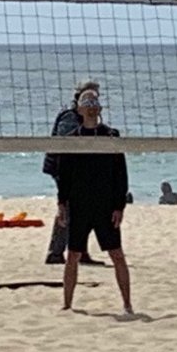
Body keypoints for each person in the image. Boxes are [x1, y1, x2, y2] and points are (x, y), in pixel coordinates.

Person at [57, 85, 135, 316]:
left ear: (99, 108)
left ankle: (128, 305)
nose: (91, 107)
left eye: (94, 103)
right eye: (86, 103)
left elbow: (121, 174)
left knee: (117, 254)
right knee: (73, 255)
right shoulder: (71, 140)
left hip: (105, 206)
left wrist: (119, 206)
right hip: (79, 205)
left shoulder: (111, 136)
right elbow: (64, 175)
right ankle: (67, 305)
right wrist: (62, 204)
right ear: (79, 109)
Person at [42, 81, 101, 268]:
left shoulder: (88, 117)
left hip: (79, 169)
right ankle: (56, 252)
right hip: (63, 167)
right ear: (79, 98)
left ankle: (80, 251)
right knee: (68, 207)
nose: (93, 101)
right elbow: (67, 144)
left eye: (95, 97)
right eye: (89, 98)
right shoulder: (70, 117)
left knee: (83, 208)